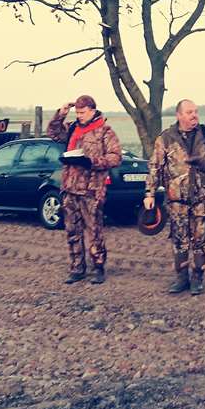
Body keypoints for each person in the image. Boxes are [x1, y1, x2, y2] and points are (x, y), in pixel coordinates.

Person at [143, 99, 205, 295]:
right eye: (189, 112)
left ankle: (198, 278)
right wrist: (149, 193)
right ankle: (181, 279)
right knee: (179, 240)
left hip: (201, 199)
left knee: (201, 239)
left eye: (196, 111)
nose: (194, 115)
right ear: (179, 115)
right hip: (176, 201)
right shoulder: (166, 138)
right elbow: (155, 167)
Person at [47, 95, 122, 284]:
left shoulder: (105, 131)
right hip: (70, 188)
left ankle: (98, 268)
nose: (79, 115)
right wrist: (61, 114)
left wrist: (91, 162)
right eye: (77, 112)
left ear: (92, 110)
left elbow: (115, 157)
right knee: (72, 231)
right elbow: (53, 133)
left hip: (91, 190)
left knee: (94, 232)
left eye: (82, 112)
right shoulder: (72, 128)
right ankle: (77, 268)